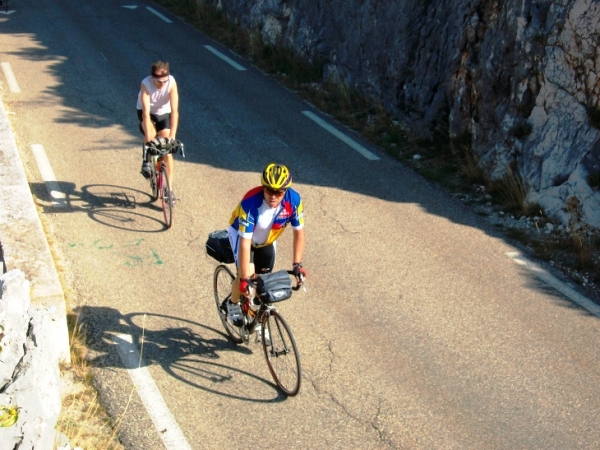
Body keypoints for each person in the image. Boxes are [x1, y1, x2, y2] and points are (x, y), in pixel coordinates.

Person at [226, 163, 307, 329]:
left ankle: (254, 312)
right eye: (269, 190)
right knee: (246, 277)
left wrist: (297, 265)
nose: (273, 196)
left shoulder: (294, 200)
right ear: (263, 187)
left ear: (286, 191)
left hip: (267, 241)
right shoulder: (250, 202)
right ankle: (232, 303)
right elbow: (245, 242)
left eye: (279, 192)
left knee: (263, 282)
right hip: (241, 237)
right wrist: (244, 279)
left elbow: (299, 233)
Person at [136, 61, 179, 198]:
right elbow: (145, 113)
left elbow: (175, 111)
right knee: (152, 135)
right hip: (147, 113)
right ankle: (146, 159)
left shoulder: (171, 83)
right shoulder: (146, 84)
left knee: (166, 147)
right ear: (153, 78)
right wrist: (149, 136)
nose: (163, 84)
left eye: (165, 81)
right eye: (159, 81)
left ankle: (170, 189)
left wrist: (172, 134)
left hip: (163, 114)